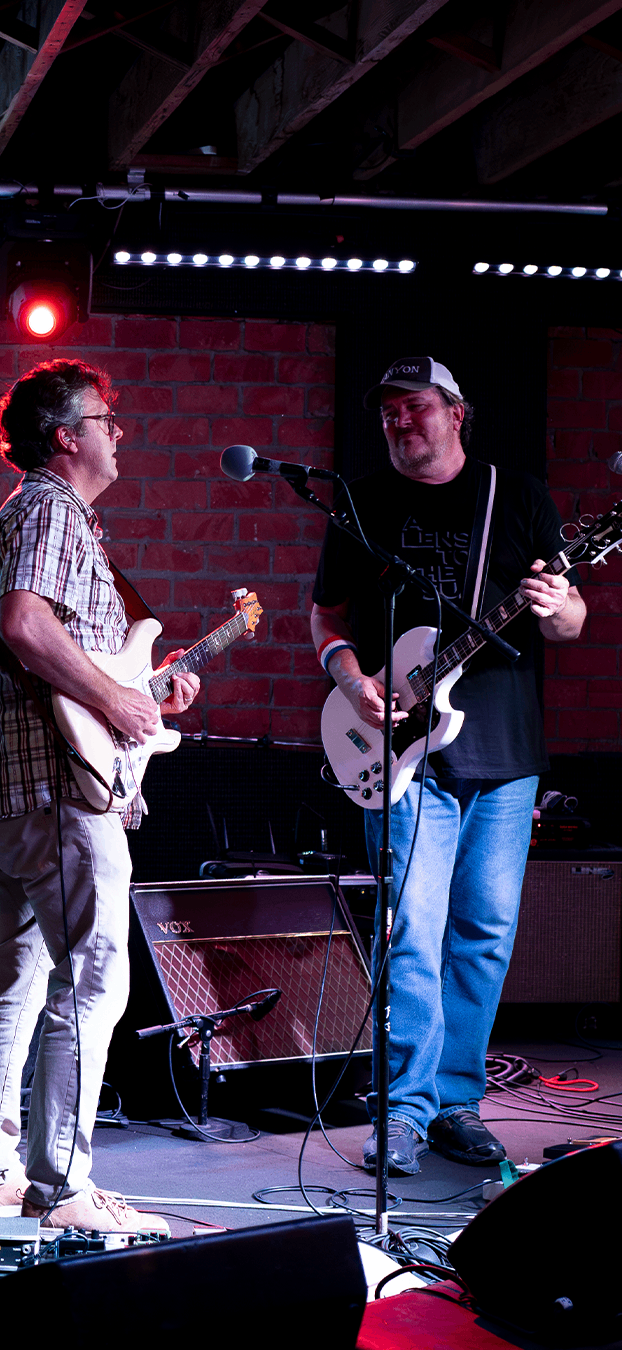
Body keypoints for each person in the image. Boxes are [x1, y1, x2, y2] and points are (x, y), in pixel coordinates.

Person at [311, 356, 586, 1176]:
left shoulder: (519, 495)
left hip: (503, 754)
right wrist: (351, 679)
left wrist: (558, 604)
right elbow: (325, 614)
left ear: (456, 413)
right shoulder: (361, 499)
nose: (400, 422)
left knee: (483, 935)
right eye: (389, 411)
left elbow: (569, 622)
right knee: (411, 934)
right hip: (401, 759)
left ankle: (458, 1104)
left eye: (416, 407)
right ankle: (402, 1109)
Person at [0, 359, 199, 1232]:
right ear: (67, 436)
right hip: (59, 792)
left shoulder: (45, 517)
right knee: (93, 981)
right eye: (106, 418)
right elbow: (25, 625)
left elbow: (67, 651)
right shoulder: (52, 507)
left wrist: (144, 692)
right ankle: (62, 1189)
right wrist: (113, 697)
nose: (118, 431)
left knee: (16, 978)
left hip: (17, 790)